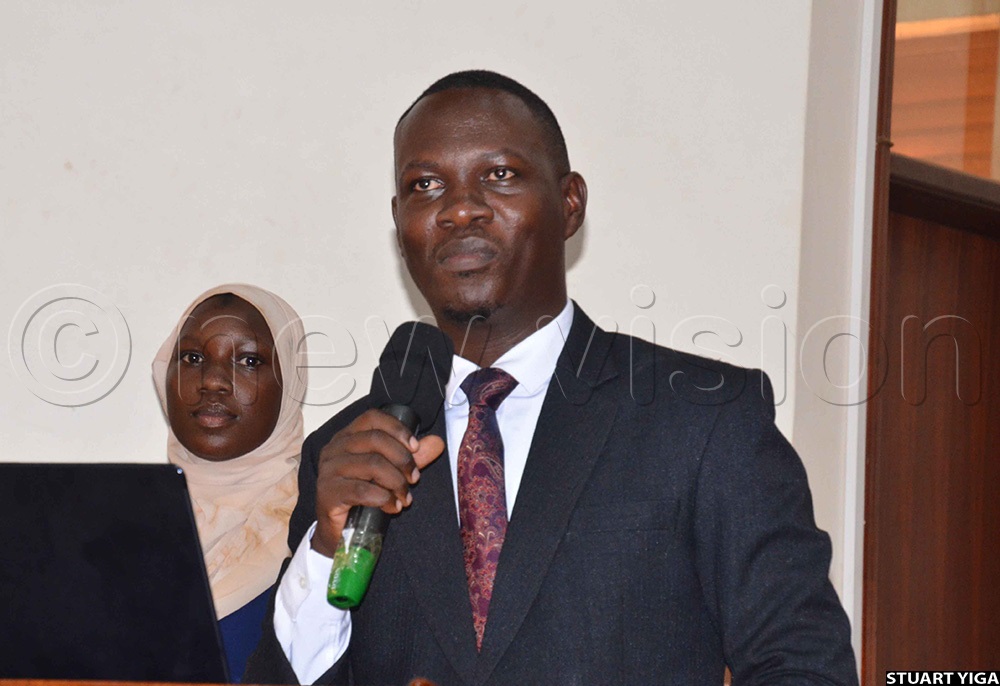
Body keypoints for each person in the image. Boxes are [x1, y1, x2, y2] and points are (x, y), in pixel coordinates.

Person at [245, 71, 858, 684]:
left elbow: (802, 667)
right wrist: (326, 550)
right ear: (399, 222)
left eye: (500, 175)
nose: (459, 207)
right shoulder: (347, 454)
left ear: (570, 204)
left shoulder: (702, 419)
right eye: (425, 185)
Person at [152, 283, 307, 682]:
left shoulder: (323, 530)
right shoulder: (118, 528)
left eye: (250, 362)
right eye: (192, 357)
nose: (213, 382)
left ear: (289, 382)